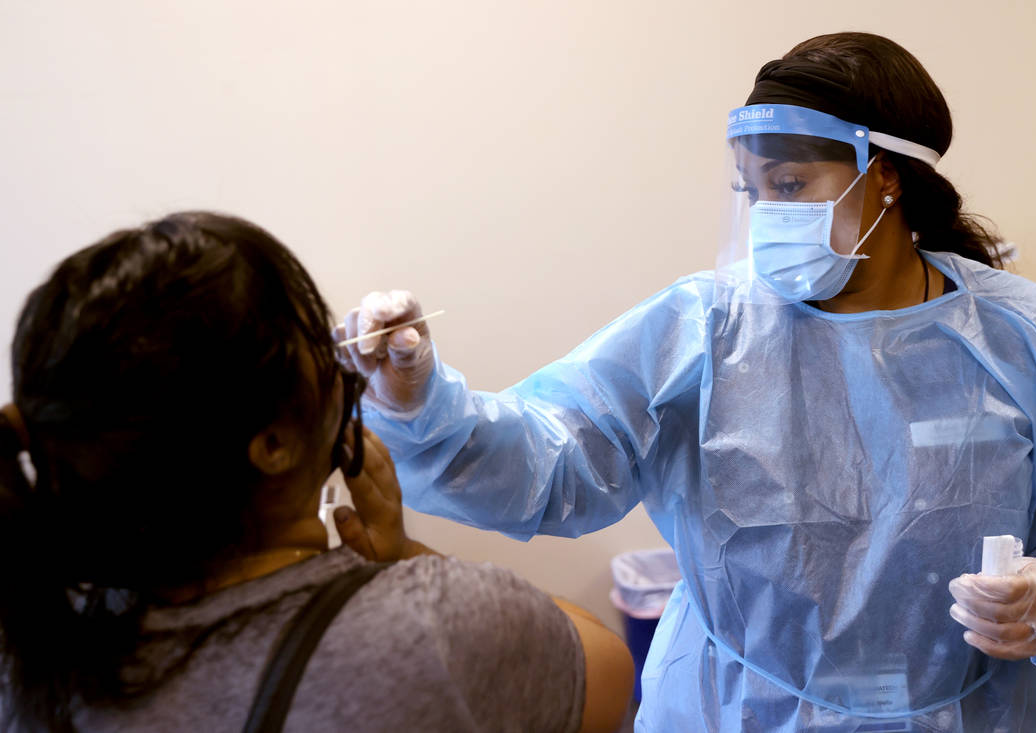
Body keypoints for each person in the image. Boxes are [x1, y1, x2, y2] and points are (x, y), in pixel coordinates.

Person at [342, 33, 1036, 732]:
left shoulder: (1023, 333)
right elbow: (551, 458)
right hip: (731, 711)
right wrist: (419, 404)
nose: (769, 218)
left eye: (790, 187)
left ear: (884, 174)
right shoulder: (703, 328)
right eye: (755, 191)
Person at [0, 212, 634, 733]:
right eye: (307, 333)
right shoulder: (433, 630)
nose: (335, 353)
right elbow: (605, 674)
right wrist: (400, 558)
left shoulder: (35, 649)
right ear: (272, 443)